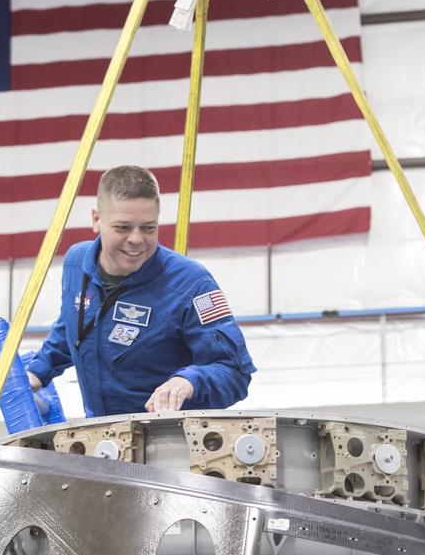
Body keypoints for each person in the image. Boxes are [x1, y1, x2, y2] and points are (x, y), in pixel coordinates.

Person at [26, 165, 255, 416]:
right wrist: (39, 370)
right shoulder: (76, 263)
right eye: (123, 227)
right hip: (100, 438)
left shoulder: (191, 284)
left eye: (148, 228)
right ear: (96, 220)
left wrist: (189, 381)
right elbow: (74, 322)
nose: (136, 239)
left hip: (168, 441)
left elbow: (234, 371)